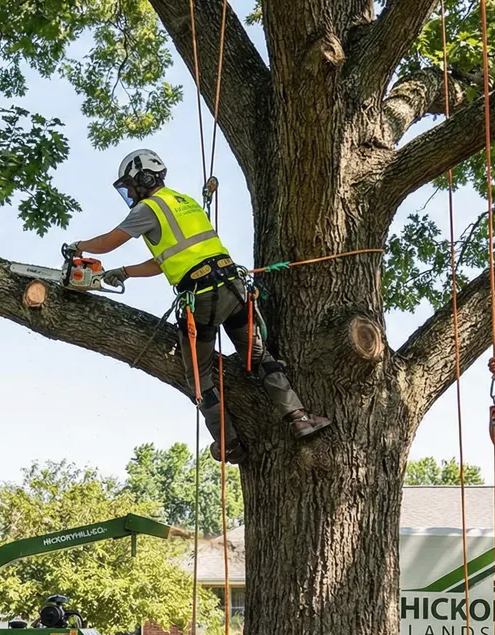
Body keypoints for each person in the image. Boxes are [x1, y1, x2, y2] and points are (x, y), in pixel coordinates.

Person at [69, 149, 332, 463]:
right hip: (233, 288)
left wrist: (78, 246)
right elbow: (164, 259)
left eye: (131, 185)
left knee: (199, 376)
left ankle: (229, 444)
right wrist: (126, 272)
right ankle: (299, 417)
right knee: (260, 357)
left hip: (203, 296)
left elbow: (110, 241)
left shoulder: (149, 208)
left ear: (145, 177)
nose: (130, 192)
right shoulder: (185, 202)